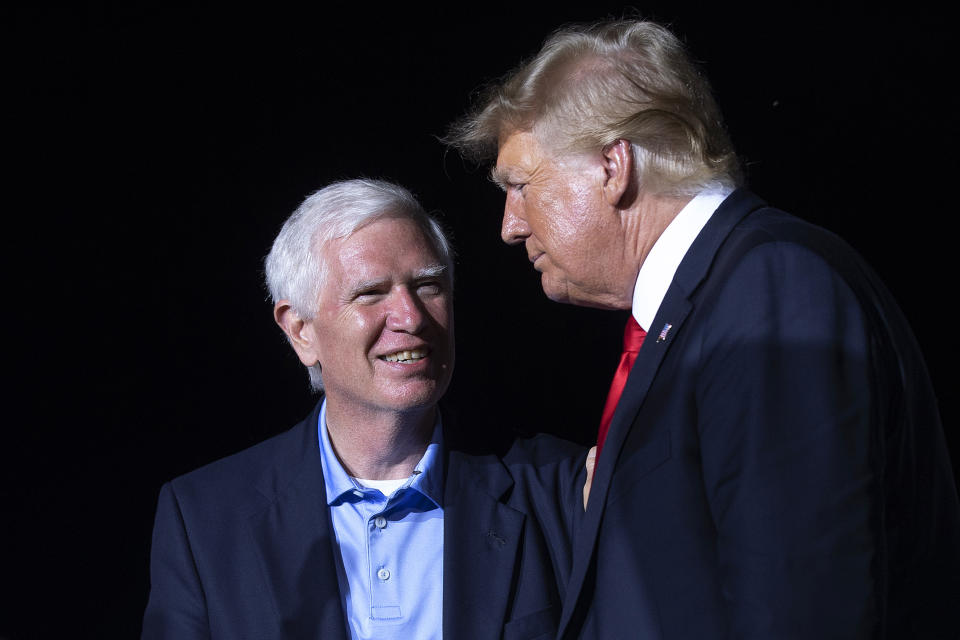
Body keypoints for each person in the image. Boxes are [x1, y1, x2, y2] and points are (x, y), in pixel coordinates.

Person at [446, 19, 960, 639]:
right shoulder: (708, 305)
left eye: (521, 187)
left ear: (613, 166)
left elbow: (802, 614)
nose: (510, 226)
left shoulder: (770, 288)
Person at [141, 179, 585, 640]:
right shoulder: (206, 518)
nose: (411, 317)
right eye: (371, 293)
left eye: (429, 285)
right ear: (300, 332)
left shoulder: (559, 489)